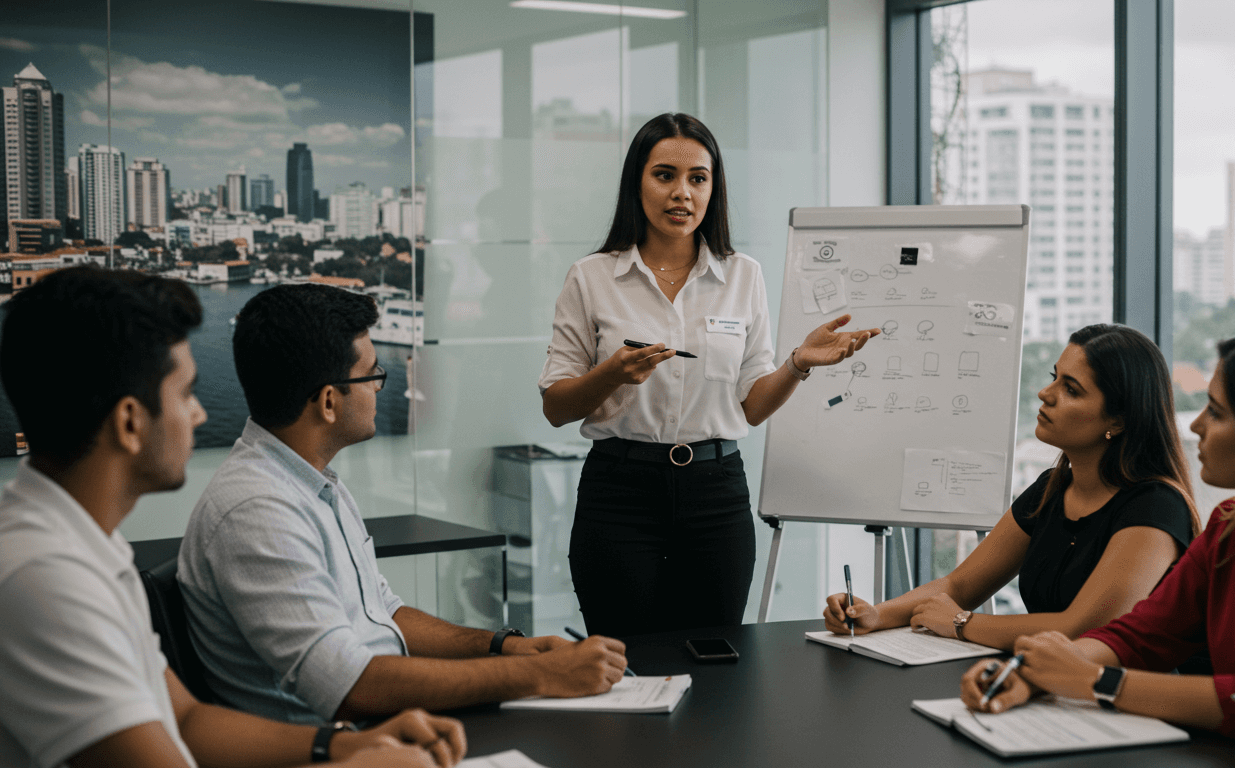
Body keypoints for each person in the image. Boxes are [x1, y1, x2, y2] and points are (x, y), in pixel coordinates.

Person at [0, 268, 464, 768]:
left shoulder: (82, 544)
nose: (199, 415)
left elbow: (187, 722)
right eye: (185, 394)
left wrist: (343, 746)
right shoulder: (44, 578)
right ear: (130, 422)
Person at [178, 284, 628, 725]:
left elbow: (384, 614)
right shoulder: (258, 510)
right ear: (329, 401)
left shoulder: (313, 482)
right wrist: (539, 675)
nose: (379, 387)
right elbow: (351, 688)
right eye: (373, 375)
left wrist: (505, 646)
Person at [962, 326, 1235, 765]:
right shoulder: (1231, 525)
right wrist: (1029, 675)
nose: (1195, 424)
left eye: (1216, 412)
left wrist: (1095, 681)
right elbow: (1142, 635)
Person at [538, 112, 880, 637]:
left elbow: (751, 406)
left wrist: (797, 365)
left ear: (713, 189)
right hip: (620, 491)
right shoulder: (592, 277)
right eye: (664, 175)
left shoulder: (743, 275)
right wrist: (612, 374)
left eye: (698, 178)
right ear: (637, 182)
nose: (682, 193)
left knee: (715, 660)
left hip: (714, 493)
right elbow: (557, 407)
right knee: (626, 660)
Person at [823, 324, 1201, 652]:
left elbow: (1083, 629)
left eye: (1070, 389)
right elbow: (960, 583)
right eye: (1054, 377)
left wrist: (962, 624)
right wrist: (876, 614)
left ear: (1117, 422)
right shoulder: (1051, 490)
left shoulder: (1156, 507)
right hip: (1048, 683)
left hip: (1128, 707)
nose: (1045, 393)